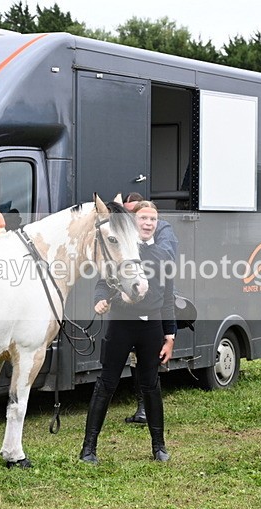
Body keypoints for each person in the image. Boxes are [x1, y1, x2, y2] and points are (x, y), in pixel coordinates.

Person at [80, 200, 176, 463]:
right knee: (106, 384)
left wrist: (170, 336)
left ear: (157, 224)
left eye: (152, 220)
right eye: (143, 218)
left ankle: (159, 447)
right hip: (121, 325)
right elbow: (102, 283)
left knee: (151, 386)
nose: (147, 223)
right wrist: (100, 299)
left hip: (152, 327)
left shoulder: (163, 254)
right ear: (135, 222)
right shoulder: (123, 249)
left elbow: (168, 297)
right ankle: (88, 449)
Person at [121, 192, 179, 424]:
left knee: (149, 359)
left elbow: (167, 255)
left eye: (145, 215)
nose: (142, 220)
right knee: (135, 359)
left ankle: (147, 408)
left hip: (156, 300)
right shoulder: (129, 236)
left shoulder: (164, 230)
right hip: (130, 308)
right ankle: (141, 407)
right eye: (133, 214)